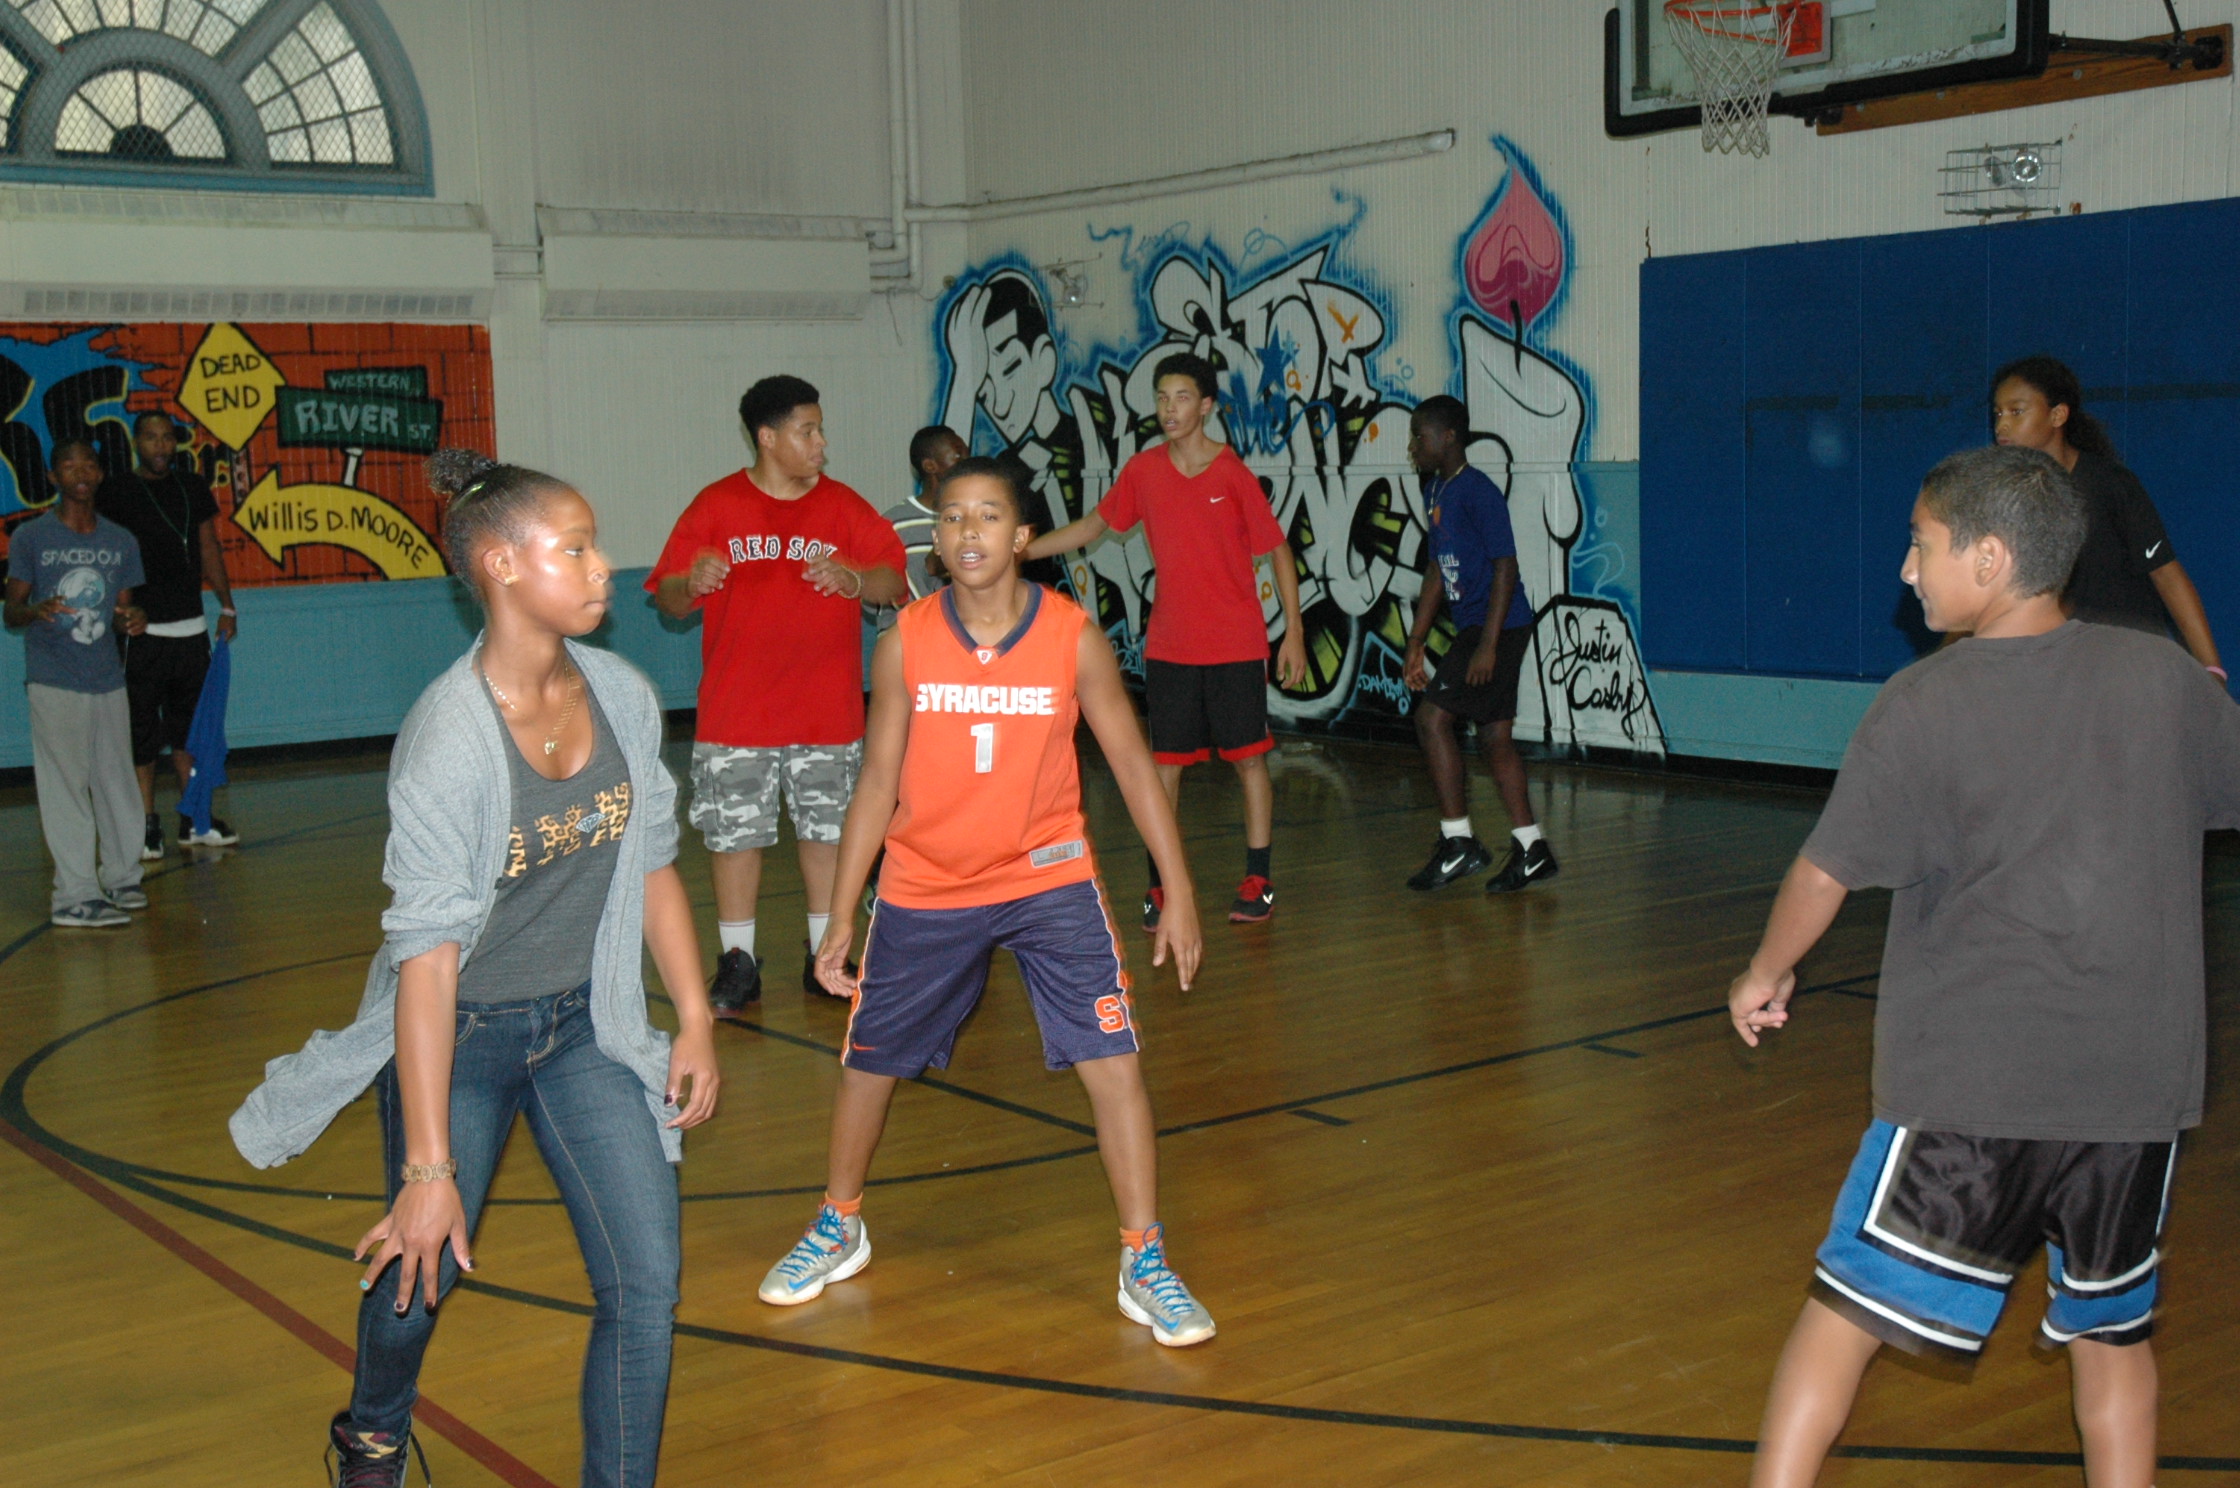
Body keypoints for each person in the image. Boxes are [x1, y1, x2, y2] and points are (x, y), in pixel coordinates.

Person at [1726, 445, 2232, 1488]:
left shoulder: (1921, 704)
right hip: (2130, 1097)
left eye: (1920, 545)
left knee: (1842, 1317)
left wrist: (1765, 969)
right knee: (2111, 1341)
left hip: (1968, 1091)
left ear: (1989, 558)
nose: (1906, 571)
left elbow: (1825, 871)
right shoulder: (2164, 682)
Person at [229, 449, 720, 1488]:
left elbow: (655, 868)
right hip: (463, 1035)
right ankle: (371, 1428)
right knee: (418, 1277)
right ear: (500, 563)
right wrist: (427, 1171)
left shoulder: (624, 697)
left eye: (596, 548)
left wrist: (696, 1018)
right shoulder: (448, 742)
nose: (603, 569)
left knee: (646, 1285)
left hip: (587, 1026)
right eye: (576, 548)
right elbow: (426, 965)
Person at [756, 456, 1217, 1346]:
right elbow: (878, 779)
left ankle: (1142, 1257)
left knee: (1113, 1060)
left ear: (1023, 536)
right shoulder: (906, 641)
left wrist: (1181, 888)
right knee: (870, 1062)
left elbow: (1130, 762)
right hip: (928, 882)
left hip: (1048, 879)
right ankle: (838, 1222)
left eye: (989, 516)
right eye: (954, 518)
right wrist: (841, 912)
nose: (969, 532)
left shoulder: (1072, 636)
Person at [649, 376, 907, 1013]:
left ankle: (827, 957)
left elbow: (892, 578)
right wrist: (692, 578)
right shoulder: (715, 506)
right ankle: (737, 963)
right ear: (768, 438)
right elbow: (671, 598)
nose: (821, 443)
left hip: (828, 713)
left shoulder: (844, 507)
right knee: (735, 840)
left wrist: (853, 578)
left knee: (829, 836)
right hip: (738, 715)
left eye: (820, 430)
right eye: (807, 431)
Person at [1026, 351, 1309, 927]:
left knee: (1250, 763)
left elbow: (1277, 549)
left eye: (1180, 398)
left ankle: (1259, 876)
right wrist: (1022, 549)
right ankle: (1162, 885)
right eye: (1161, 398)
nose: (1168, 408)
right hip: (1170, 647)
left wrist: (1294, 635)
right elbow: (1095, 527)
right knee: (1165, 767)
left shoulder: (1231, 473)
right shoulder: (1143, 471)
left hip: (1235, 644)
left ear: (1206, 407)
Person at [1400, 394, 1556, 894]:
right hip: (1480, 627)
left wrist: (1488, 646)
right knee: (1494, 738)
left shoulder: (1479, 491)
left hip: (1499, 626)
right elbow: (1433, 569)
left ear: (1448, 437)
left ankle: (1459, 842)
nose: (1413, 447)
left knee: (1431, 718)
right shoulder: (1435, 490)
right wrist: (1416, 641)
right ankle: (1532, 849)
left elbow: (1505, 566)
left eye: (1419, 437)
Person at [1991, 354, 2224, 678]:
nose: (2002, 424)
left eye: (2017, 411)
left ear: (2058, 415)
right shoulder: (2005, 501)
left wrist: (2212, 669)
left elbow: (2166, 575)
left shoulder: (2110, 484)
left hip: (2132, 668)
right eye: (1998, 413)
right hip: (2066, 672)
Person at [5, 439, 148, 928]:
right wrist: (36, 610)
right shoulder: (31, 538)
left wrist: (132, 618)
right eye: (68, 465)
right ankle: (74, 897)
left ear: (100, 474)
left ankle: (123, 876)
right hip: (54, 679)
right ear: (53, 477)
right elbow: (12, 611)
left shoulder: (120, 541)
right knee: (66, 786)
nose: (80, 471)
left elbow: (120, 611)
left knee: (117, 782)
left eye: (88, 463)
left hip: (106, 677)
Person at [96, 411, 240, 857]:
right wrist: (119, 611)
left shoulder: (191, 487)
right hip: (141, 632)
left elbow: (208, 545)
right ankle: (145, 826)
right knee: (141, 733)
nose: (160, 446)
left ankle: (194, 819)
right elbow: (107, 555)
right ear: (137, 442)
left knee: (190, 731)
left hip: (190, 629)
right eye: (151, 438)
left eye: (166, 439)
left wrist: (227, 603)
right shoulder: (118, 491)